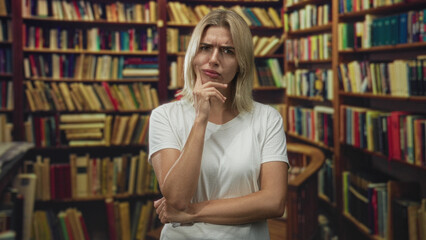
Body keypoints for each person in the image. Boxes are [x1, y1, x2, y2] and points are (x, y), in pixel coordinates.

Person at [148, 9, 289, 240]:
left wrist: (191, 213)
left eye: (227, 51)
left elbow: (274, 202)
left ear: (241, 63)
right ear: (193, 55)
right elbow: (177, 198)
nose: (213, 59)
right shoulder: (164, 116)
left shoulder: (267, 118)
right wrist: (201, 119)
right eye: (205, 48)